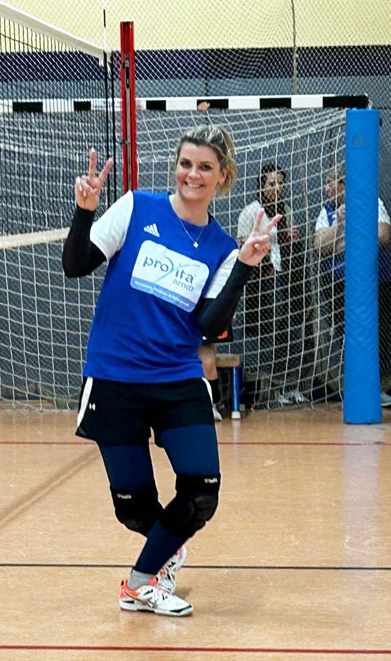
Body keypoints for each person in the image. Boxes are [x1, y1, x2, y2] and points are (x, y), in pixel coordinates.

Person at [62, 125, 280, 617]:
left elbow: (209, 325)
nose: (192, 174)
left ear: (223, 176)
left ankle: (140, 583)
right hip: (116, 378)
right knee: (134, 507)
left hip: (178, 379)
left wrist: (244, 263)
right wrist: (85, 209)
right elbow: (75, 264)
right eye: (186, 163)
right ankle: (164, 550)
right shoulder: (137, 207)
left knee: (202, 493)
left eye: (205, 167)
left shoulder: (224, 246)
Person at [313, 166, 391, 406]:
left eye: (331, 183)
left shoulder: (371, 202)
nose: (327, 188)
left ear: (344, 185)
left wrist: (343, 240)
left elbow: (382, 235)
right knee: (346, 335)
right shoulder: (327, 211)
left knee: (376, 334)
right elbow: (319, 245)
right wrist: (339, 226)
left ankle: (376, 389)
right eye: (326, 182)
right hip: (338, 283)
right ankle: (353, 389)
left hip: (374, 281)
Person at [237, 164, 308, 406]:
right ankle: (269, 391)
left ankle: (290, 385)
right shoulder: (250, 212)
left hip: (288, 279)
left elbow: (288, 245)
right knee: (272, 336)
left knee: (293, 334)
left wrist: (292, 238)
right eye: (272, 184)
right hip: (265, 282)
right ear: (261, 186)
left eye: (281, 183)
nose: (278, 188)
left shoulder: (285, 210)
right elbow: (242, 248)